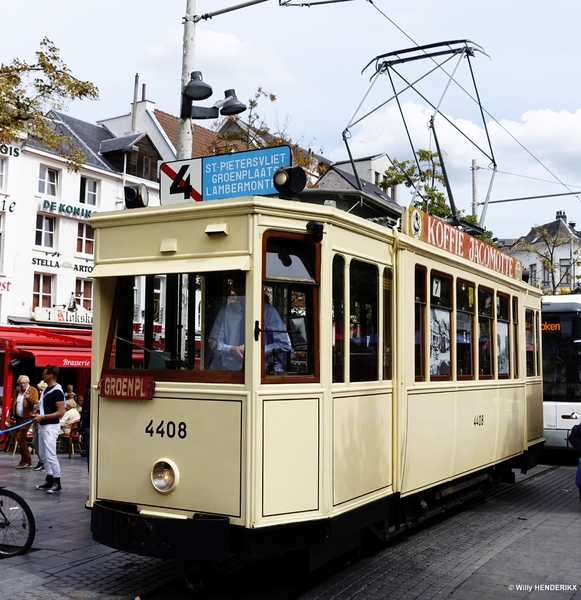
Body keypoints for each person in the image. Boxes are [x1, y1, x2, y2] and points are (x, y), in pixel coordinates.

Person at [208, 279, 292, 372]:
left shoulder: (268, 312)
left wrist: (256, 350)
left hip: (261, 373)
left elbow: (285, 344)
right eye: (241, 293)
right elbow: (214, 342)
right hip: (231, 374)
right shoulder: (226, 311)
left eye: (248, 291)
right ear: (235, 291)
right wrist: (231, 350)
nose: (244, 296)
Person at [33, 365, 66, 494]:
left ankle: (58, 483)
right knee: (43, 454)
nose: (43, 376)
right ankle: (49, 479)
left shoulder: (57, 391)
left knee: (51, 454)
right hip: (43, 425)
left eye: (45, 373)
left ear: (50, 375)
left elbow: (61, 412)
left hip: (51, 426)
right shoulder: (47, 389)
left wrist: (43, 416)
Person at [5, 375, 39, 469]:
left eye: (24, 383)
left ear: (28, 383)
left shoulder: (33, 390)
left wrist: (28, 398)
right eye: (21, 383)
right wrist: (8, 419)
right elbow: (12, 406)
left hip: (28, 418)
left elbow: (35, 404)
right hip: (18, 418)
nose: (22, 385)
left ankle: (25, 460)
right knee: (21, 438)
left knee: (20, 437)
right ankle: (27, 460)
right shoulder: (16, 391)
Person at [78, 382, 90, 471]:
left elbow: (85, 412)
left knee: (90, 457)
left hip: (88, 426)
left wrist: (80, 430)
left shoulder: (88, 392)